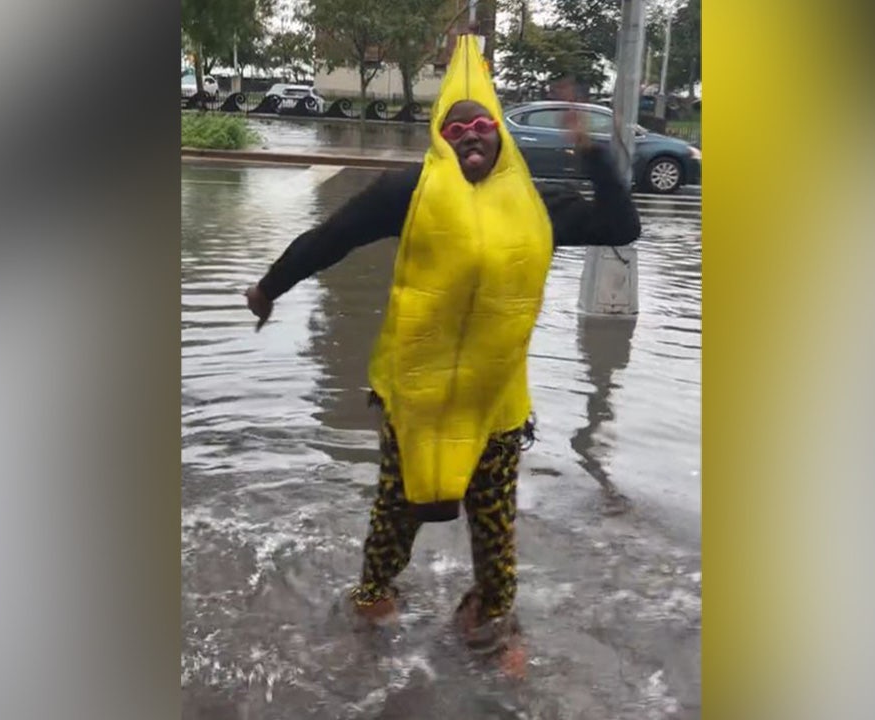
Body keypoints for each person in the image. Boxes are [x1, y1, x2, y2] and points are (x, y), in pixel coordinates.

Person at [242, 35, 640, 671]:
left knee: (494, 524)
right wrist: (268, 288)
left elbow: (622, 227)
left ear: (501, 137)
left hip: (496, 402)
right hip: (413, 394)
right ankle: (372, 602)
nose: (472, 135)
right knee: (398, 514)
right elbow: (331, 239)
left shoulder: (534, 206)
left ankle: (492, 620)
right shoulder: (409, 193)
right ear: (440, 137)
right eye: (457, 128)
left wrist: (589, 151)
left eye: (484, 125)